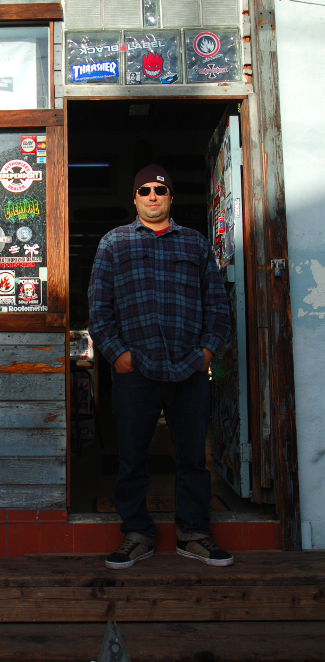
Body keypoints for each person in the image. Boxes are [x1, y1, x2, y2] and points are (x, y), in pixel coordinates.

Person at [88, 164, 233, 568]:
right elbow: (99, 308)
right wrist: (118, 354)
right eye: (145, 190)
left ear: (171, 197)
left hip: (188, 369)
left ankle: (194, 533)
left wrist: (206, 352)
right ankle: (137, 534)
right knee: (132, 458)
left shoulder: (195, 244)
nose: (153, 196)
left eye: (160, 190)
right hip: (136, 371)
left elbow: (217, 305)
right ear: (134, 198)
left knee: (193, 458)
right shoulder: (113, 243)